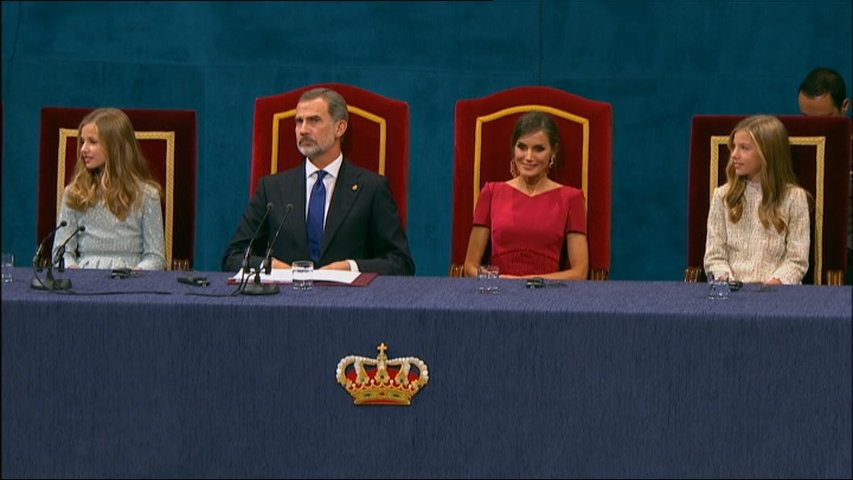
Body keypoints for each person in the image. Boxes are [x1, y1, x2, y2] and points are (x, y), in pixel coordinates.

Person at [222, 88, 415, 275]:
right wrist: (270, 266)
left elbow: (401, 263)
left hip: (349, 303)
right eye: (299, 122)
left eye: (314, 120)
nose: (303, 130)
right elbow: (233, 257)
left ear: (339, 128)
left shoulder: (372, 188)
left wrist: (350, 267)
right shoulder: (271, 189)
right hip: (284, 302)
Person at [463, 111, 589, 280]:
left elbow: (580, 273)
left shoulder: (571, 198)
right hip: (498, 295)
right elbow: (470, 267)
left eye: (539, 149)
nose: (528, 157)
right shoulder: (491, 193)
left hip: (548, 297)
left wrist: (529, 282)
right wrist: (497, 281)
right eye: (522, 147)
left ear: (553, 151)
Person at [53, 108, 166, 270]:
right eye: (83, 141)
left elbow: (155, 257)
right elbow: (61, 252)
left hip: (130, 281)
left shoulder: (147, 195)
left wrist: (136, 275)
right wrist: (72, 271)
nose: (83, 149)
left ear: (115, 147)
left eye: (92, 142)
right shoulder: (75, 193)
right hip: (84, 280)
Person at [704, 115, 810, 285]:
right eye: (734, 147)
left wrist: (772, 286)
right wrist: (726, 280)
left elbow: (796, 260)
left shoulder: (794, 198)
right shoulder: (723, 196)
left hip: (776, 294)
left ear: (768, 153)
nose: (734, 155)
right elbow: (714, 255)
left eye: (744, 148)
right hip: (732, 292)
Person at [797, 67, 852, 284]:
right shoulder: (791, 146)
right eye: (805, 118)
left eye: (823, 120)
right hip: (799, 252)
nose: (813, 128)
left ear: (844, 107)